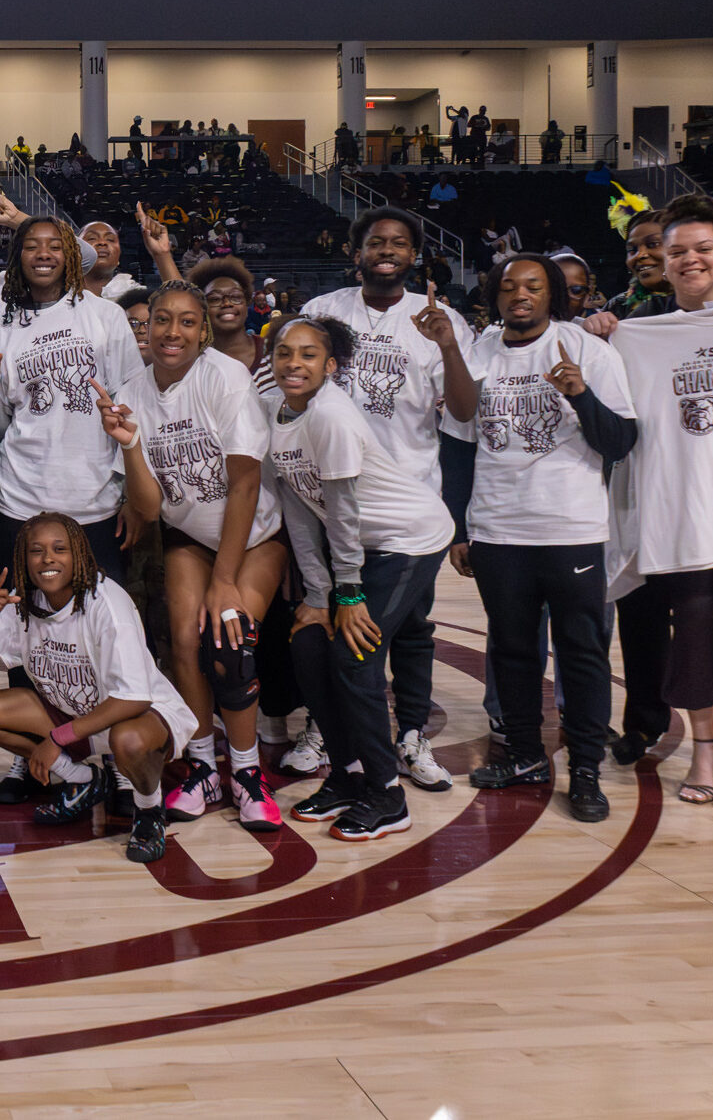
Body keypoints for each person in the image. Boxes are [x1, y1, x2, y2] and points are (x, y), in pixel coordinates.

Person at [448, 255, 636, 823]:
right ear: (495, 296)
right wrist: (460, 527)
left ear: (553, 295)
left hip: (572, 528)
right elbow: (457, 446)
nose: (519, 295)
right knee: (511, 648)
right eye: (508, 286)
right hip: (499, 528)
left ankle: (584, 767)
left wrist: (580, 394)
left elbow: (622, 441)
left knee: (580, 651)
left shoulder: (589, 352)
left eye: (532, 286)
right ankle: (525, 754)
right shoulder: (478, 353)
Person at [300, 209, 482, 788]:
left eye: (399, 243)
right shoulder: (322, 312)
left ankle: (411, 734)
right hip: (332, 498)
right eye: (375, 241)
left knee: (409, 627)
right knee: (333, 616)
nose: (386, 250)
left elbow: (463, 411)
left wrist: (449, 345)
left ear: (415, 256)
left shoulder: (441, 319)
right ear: (356, 252)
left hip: (407, 502)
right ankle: (326, 730)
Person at [263, 316, 455, 840]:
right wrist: (319, 596)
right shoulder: (275, 412)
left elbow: (343, 511)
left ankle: (388, 794)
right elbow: (303, 508)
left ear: (330, 367)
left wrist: (346, 592)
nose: (294, 363)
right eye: (285, 353)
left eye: (308, 355)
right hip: (365, 546)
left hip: (410, 536)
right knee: (308, 643)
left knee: (354, 654)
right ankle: (347, 777)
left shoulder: (332, 416)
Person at [118, 283, 286, 828]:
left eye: (187, 322)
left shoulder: (225, 377)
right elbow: (146, 505)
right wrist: (128, 444)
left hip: (254, 535)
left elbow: (244, 483)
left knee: (228, 639)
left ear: (203, 331)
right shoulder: (132, 391)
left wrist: (226, 578)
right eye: (162, 320)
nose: (172, 332)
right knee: (184, 641)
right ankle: (201, 767)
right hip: (188, 535)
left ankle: (245, 772)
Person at [601, 196, 713, 810]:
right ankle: (706, 750)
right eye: (677, 250)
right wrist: (601, 335)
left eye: (701, 249)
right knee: (690, 646)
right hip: (682, 515)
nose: (689, 260)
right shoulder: (638, 336)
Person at [0, 512, 197, 862]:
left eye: (60, 549)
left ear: (79, 556)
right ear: (23, 559)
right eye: (36, 551)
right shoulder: (23, 602)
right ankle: (83, 779)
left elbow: (132, 699)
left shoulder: (107, 604)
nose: (48, 559)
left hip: (140, 715)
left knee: (127, 740)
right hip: (76, 714)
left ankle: (149, 811)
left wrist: (57, 739)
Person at [0, 214, 147, 584]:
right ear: (17, 258)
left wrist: (133, 495)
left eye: (55, 246)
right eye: (32, 246)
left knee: (100, 621)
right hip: (18, 499)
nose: (44, 254)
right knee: (24, 622)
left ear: (70, 255)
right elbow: (2, 427)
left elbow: (136, 410)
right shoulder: (1, 325)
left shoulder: (106, 316)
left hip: (94, 501)